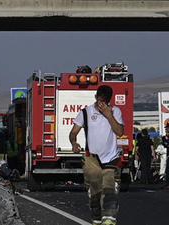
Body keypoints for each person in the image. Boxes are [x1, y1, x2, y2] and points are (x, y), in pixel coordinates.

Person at [69, 85, 124, 225]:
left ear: (109, 100)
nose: (101, 104)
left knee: (110, 191)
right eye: (100, 101)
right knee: (95, 195)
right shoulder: (86, 113)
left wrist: (108, 115)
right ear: (95, 97)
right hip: (92, 159)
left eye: (104, 102)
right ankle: (97, 220)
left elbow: (119, 132)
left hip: (111, 158)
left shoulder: (115, 112)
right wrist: (74, 143)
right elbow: (73, 132)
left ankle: (109, 220)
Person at [161, 122, 169, 189]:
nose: (166, 130)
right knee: (167, 169)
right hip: (168, 154)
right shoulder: (166, 137)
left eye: (167, 128)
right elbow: (165, 144)